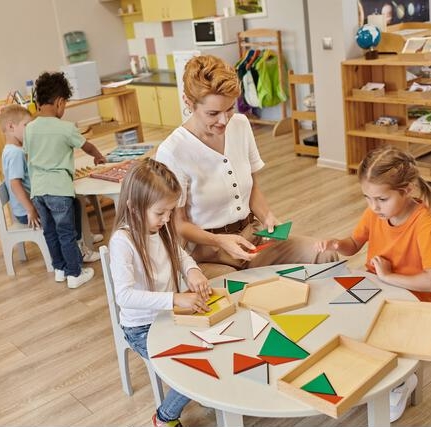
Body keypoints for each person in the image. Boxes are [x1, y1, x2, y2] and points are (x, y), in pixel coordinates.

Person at [155, 55, 337, 279]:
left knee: (326, 255)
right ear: (188, 102)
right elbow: (179, 224)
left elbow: (252, 189)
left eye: (229, 108)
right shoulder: (172, 151)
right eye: (213, 113)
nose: (224, 120)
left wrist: (268, 216)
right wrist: (220, 241)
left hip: (253, 239)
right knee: (244, 292)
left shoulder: (240, 125)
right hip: (210, 253)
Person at [315, 145, 431, 422]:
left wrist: (389, 277)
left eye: (381, 199)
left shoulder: (426, 226)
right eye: (367, 198)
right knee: (331, 314)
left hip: (413, 299)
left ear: (408, 189)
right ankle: (366, 370)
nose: (374, 206)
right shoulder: (374, 214)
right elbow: (354, 245)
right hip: (376, 288)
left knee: (381, 331)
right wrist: (338, 244)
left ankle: (401, 383)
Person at [109, 158, 211, 427]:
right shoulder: (123, 241)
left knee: (214, 350)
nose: (166, 219)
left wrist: (193, 271)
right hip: (141, 327)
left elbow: (181, 255)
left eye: (170, 212)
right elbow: (125, 296)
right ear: (133, 207)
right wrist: (176, 298)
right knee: (193, 370)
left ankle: (204, 392)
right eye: (160, 213)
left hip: (168, 316)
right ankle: (165, 417)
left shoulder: (160, 229)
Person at [25, 71, 107, 289]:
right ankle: (74, 273)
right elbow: (86, 145)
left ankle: (60, 270)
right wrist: (98, 155)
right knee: (66, 233)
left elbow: (30, 156)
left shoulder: (29, 129)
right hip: (59, 189)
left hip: (38, 191)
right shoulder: (65, 128)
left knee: (50, 232)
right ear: (60, 102)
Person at [0, 104, 40, 228]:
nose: (30, 129)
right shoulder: (16, 153)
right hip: (26, 211)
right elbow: (15, 184)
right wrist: (30, 209)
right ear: (11, 126)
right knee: (67, 206)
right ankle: (78, 242)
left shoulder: (10, 150)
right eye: (26, 125)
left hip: (23, 208)